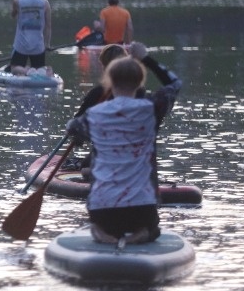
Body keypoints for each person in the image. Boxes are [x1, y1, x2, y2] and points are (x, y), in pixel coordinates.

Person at [66, 49, 182, 245]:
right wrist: (146, 58)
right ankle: (142, 233)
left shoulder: (92, 115)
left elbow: (72, 129)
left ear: (110, 81)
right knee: (153, 230)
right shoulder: (152, 108)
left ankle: (101, 232)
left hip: (103, 208)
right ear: (140, 82)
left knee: (98, 223)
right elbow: (175, 83)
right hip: (142, 207)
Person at [8, 0, 53, 76]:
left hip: (21, 45)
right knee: (40, 69)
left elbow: (13, 15)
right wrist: (47, 44)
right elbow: (48, 26)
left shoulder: (17, 2)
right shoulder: (45, 3)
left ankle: (26, 71)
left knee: (14, 68)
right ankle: (47, 72)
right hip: (38, 46)